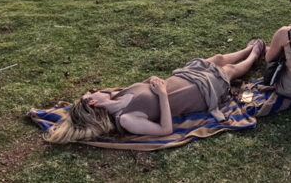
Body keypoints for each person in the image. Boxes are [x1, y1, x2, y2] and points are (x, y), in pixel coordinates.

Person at [43, 39, 265, 143]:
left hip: (183, 77)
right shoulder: (126, 119)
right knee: (229, 71)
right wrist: (162, 94)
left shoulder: (117, 96)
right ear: (93, 103)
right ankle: (254, 55)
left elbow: (144, 87)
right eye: (92, 93)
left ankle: (246, 48)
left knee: (217, 58)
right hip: (197, 92)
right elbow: (166, 129)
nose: (97, 90)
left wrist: (152, 81)